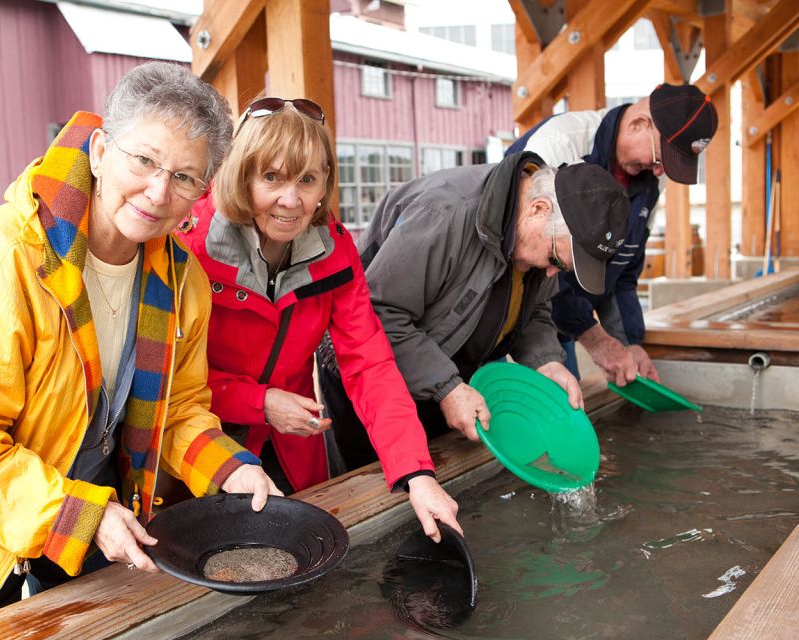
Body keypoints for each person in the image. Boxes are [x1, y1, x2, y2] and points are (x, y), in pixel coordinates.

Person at [0, 62, 280, 640]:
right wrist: (79, 514)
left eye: (184, 177)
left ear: (202, 193)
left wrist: (230, 470)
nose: (158, 192)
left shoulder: (184, 282)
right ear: (100, 150)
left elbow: (178, 409)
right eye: (144, 160)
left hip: (87, 512)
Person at [176, 97, 461, 542]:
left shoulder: (336, 251)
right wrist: (258, 402)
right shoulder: (187, 246)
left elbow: (370, 365)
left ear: (326, 181)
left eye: (307, 179)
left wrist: (416, 472)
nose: (291, 200)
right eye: (271, 177)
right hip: (199, 442)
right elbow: (165, 382)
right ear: (242, 174)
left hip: (294, 441)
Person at [319, 154, 630, 470]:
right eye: (555, 259)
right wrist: (446, 387)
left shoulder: (538, 238)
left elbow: (536, 309)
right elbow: (378, 313)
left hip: (441, 370)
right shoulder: (444, 215)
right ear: (538, 209)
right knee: (380, 485)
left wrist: (545, 362)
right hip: (365, 372)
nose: (552, 273)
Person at [506, 83, 718, 386]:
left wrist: (629, 341)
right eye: (661, 159)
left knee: (570, 410)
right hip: (508, 309)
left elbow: (623, 271)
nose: (659, 172)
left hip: (563, 320)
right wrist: (596, 340)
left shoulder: (650, 180)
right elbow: (542, 266)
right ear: (639, 123)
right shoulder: (558, 145)